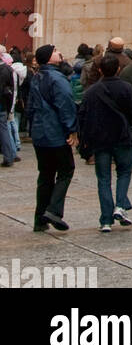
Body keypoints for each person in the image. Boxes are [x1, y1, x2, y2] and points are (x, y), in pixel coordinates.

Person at [78, 52, 132, 232]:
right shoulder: (126, 88)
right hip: (121, 136)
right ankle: (120, 206)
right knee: (124, 172)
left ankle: (106, 220)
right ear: (118, 69)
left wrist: (85, 140)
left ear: (99, 70)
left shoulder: (91, 92)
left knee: (103, 178)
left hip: (101, 140)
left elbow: (83, 117)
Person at [26, 45, 78, 232]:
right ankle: (54, 210)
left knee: (46, 174)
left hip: (40, 134)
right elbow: (66, 105)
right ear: (49, 58)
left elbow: (30, 108)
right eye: (55, 51)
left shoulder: (37, 77)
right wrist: (72, 130)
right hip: (55, 133)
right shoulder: (57, 78)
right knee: (66, 169)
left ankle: (40, 218)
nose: (59, 53)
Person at [0, 51, 18, 166]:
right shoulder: (8, 69)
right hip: (3, 104)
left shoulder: (6, 69)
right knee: (4, 130)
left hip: (2, 104)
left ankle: (9, 156)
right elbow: (12, 89)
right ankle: (9, 156)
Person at [8, 48, 26, 155]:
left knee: (11, 121)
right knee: (15, 121)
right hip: (18, 97)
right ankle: (17, 142)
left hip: (13, 98)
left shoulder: (11, 70)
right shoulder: (24, 70)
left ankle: (15, 144)